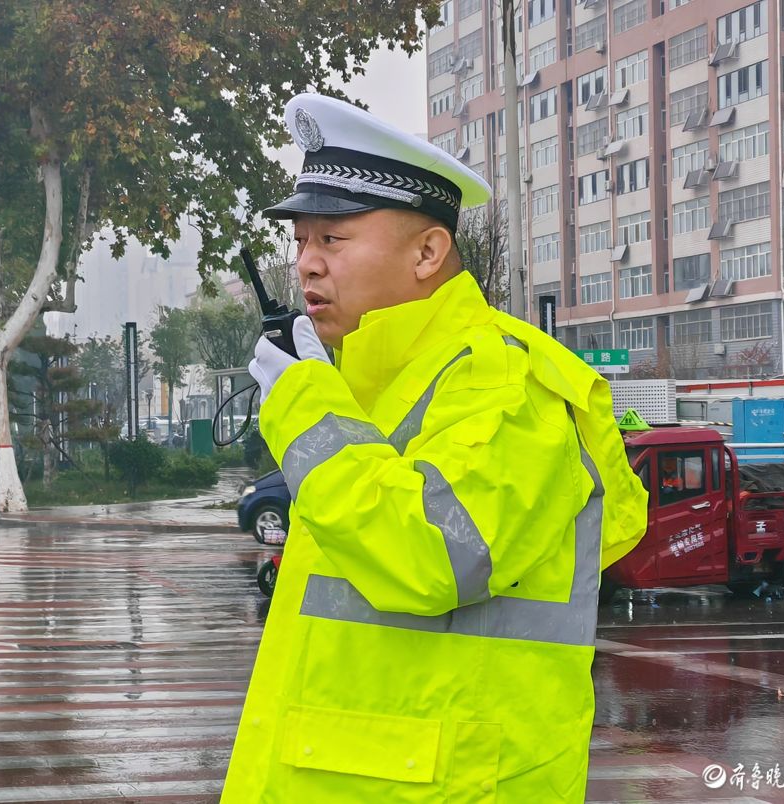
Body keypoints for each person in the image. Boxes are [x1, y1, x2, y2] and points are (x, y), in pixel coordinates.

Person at [222, 94, 648, 802]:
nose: (305, 266)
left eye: (332, 239)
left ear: (427, 251)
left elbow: (430, 556)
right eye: (299, 241)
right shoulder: (370, 385)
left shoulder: (506, 383)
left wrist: (300, 403)